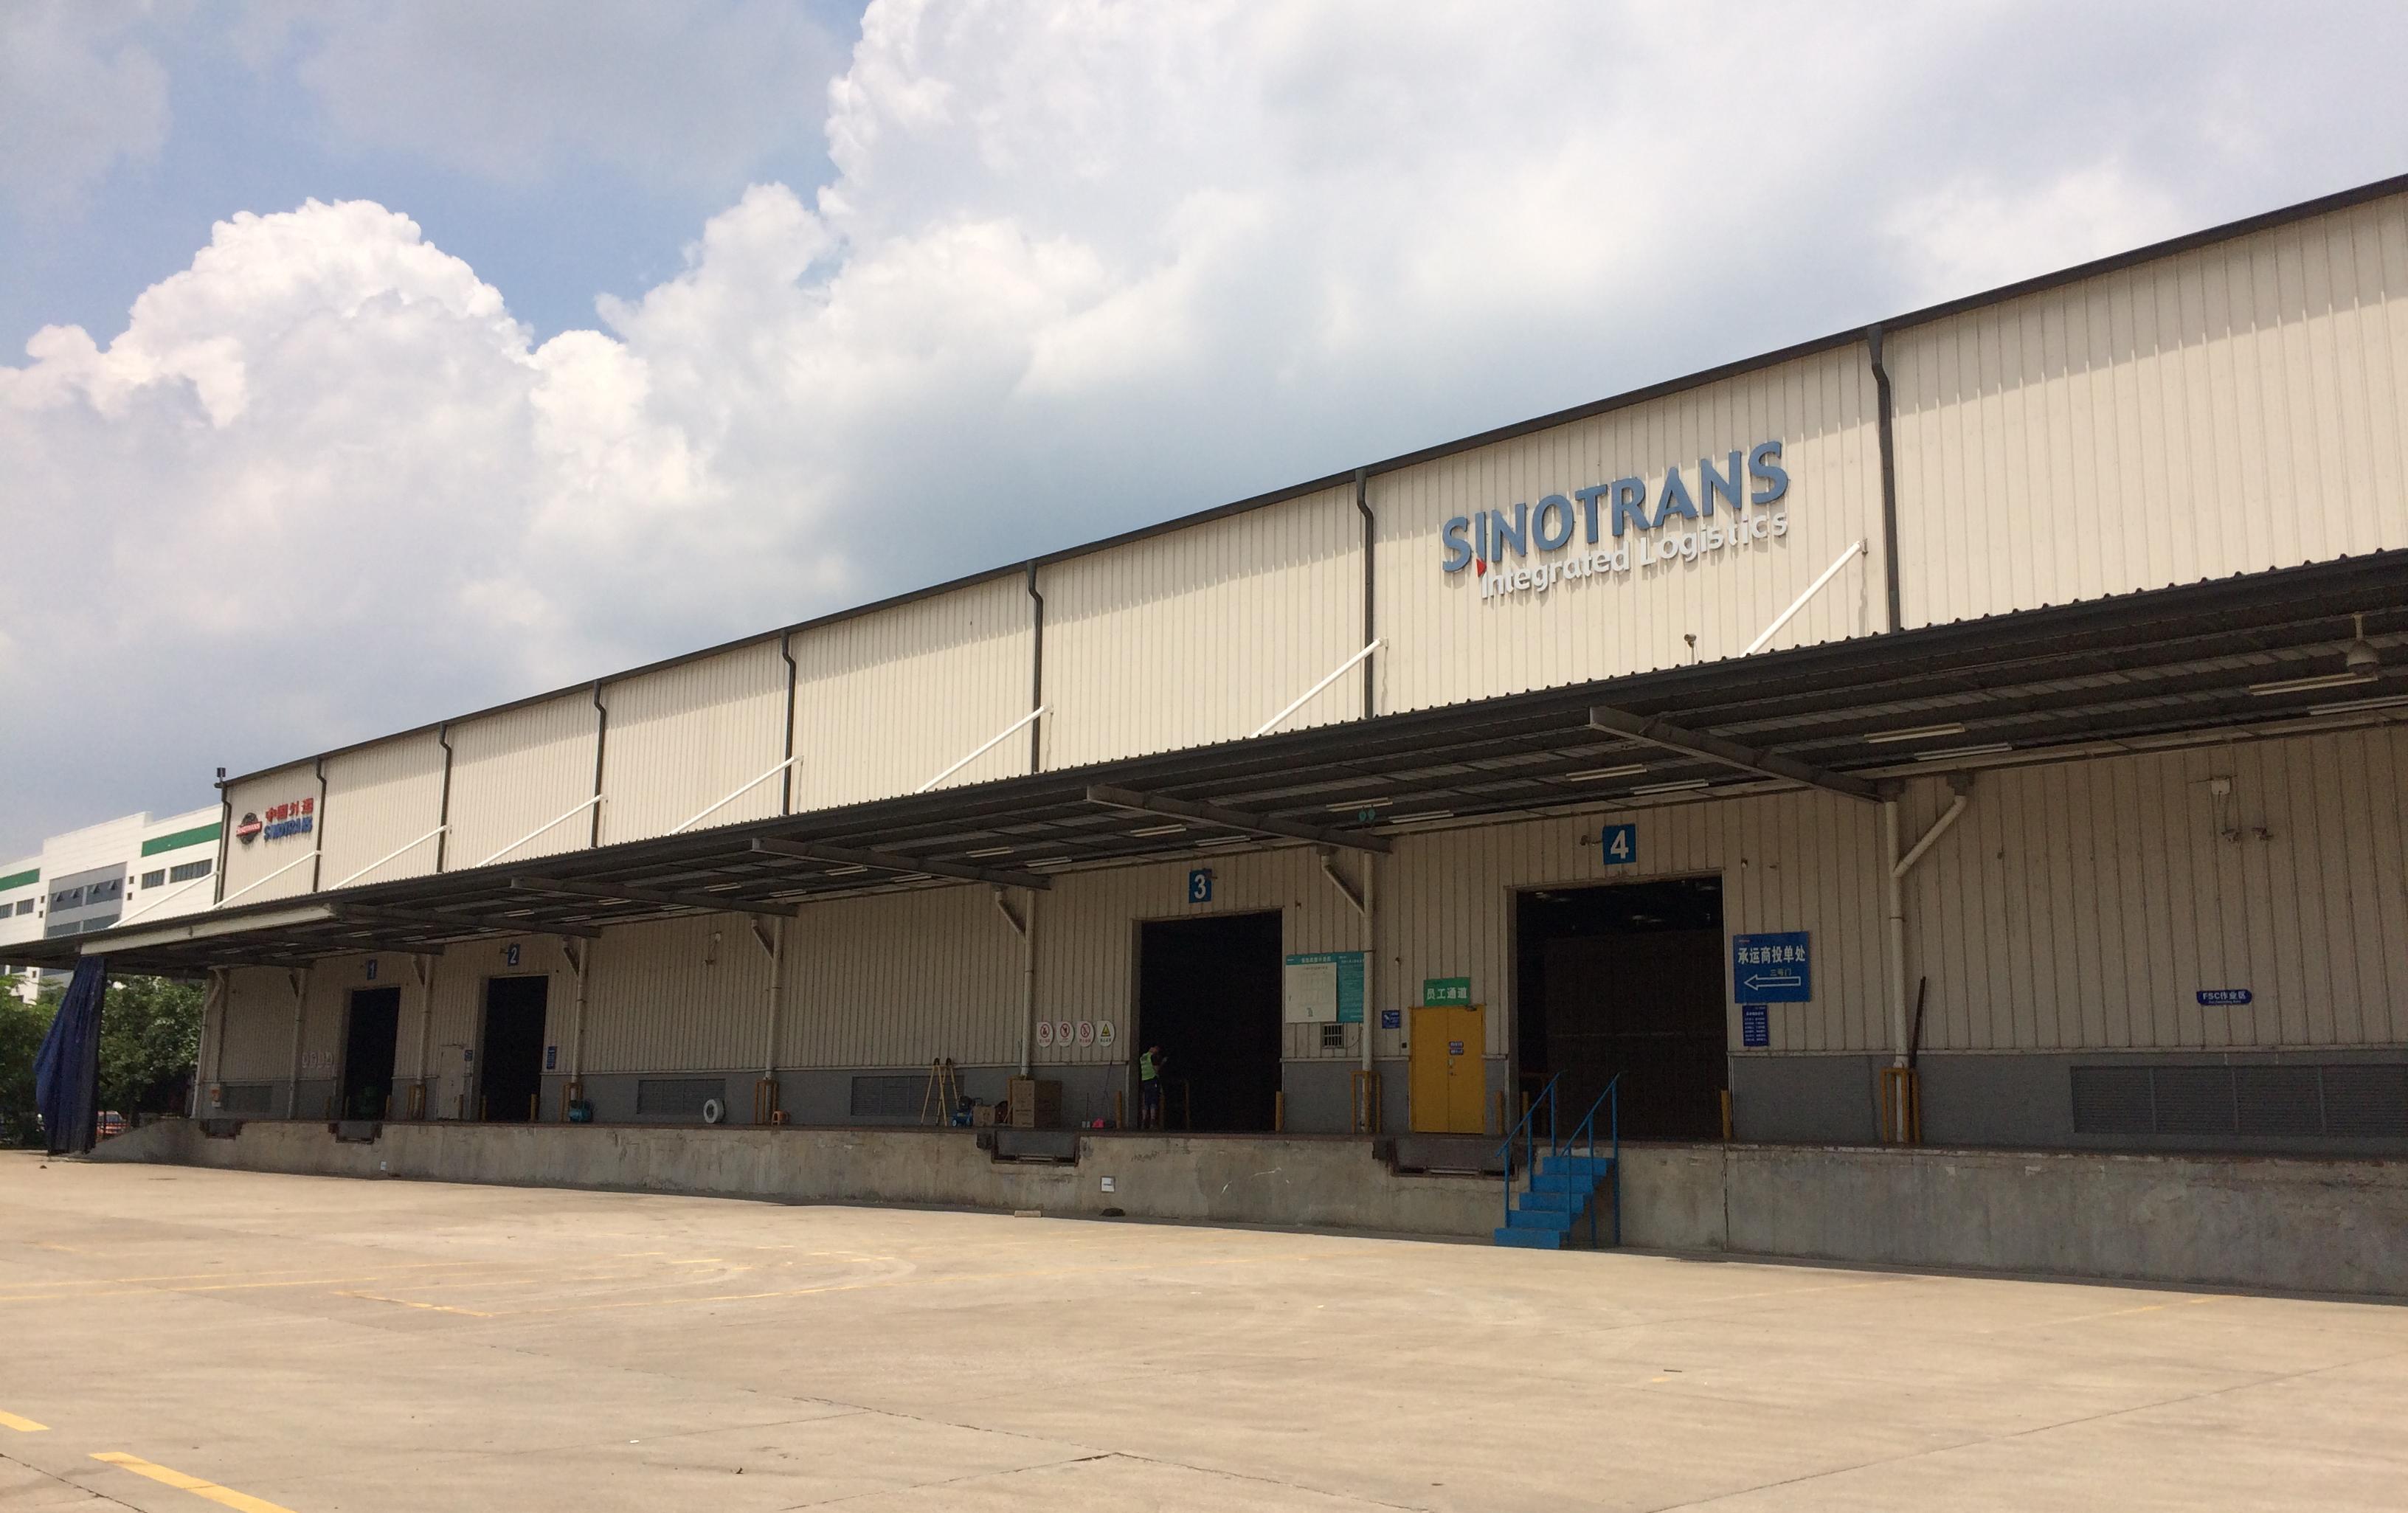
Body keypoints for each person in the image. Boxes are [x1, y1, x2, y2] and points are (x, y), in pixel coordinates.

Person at [1138, 1045, 1167, 1129]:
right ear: (1153, 1049)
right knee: (1153, 1102)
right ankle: (1152, 1123)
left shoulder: (1143, 1057)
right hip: (1152, 1080)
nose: (1157, 1051)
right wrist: (1163, 1062)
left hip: (1144, 1080)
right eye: (1157, 1049)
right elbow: (1156, 1070)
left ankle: (1143, 1122)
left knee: (1145, 1102)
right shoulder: (1153, 1057)